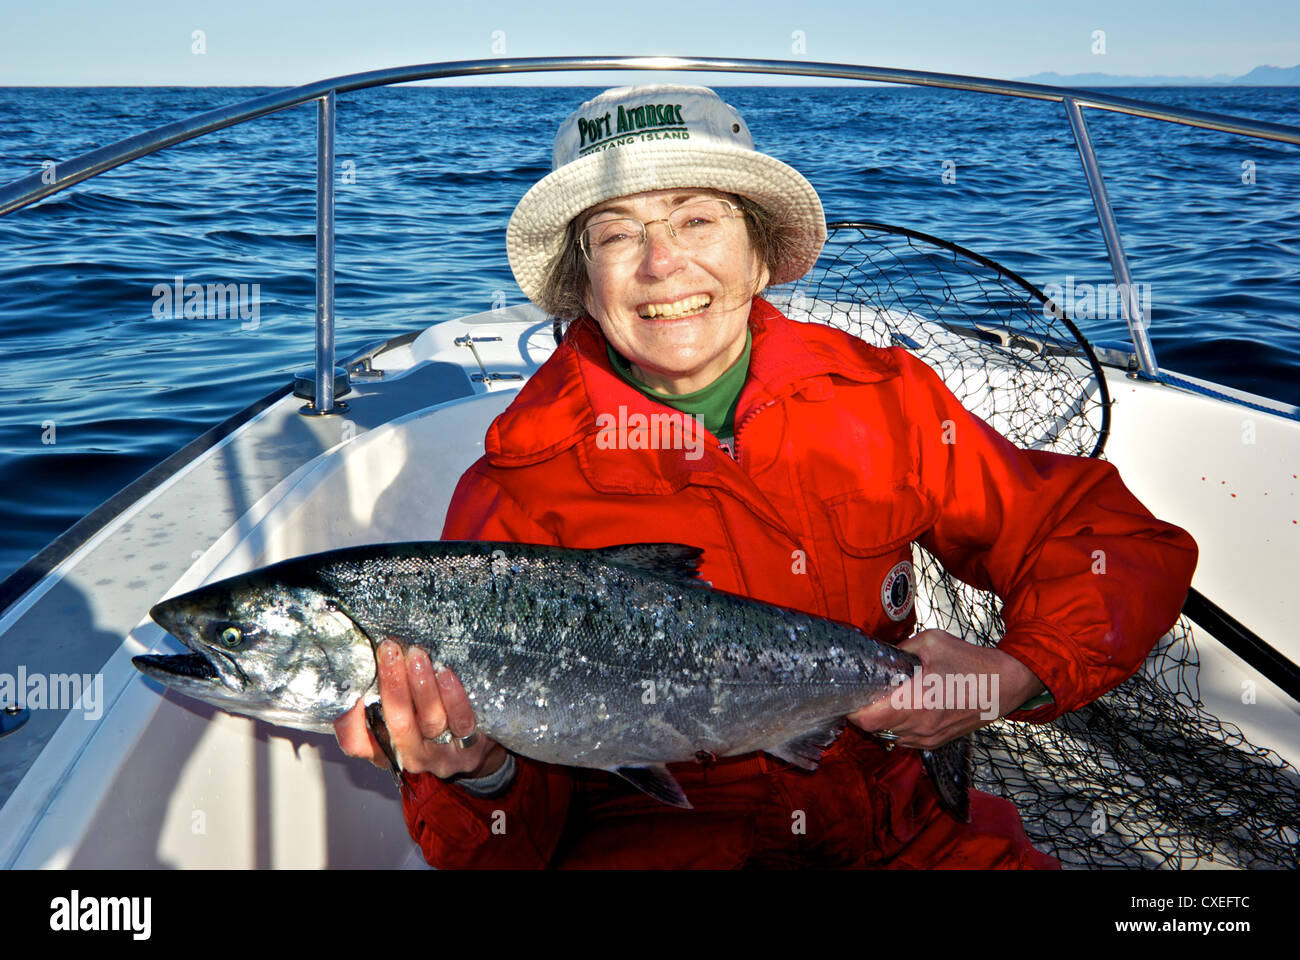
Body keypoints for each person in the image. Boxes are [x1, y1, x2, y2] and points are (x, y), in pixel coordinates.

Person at [335, 84, 1198, 868]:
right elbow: (506, 850)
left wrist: (1013, 672)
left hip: (901, 831)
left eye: (695, 220)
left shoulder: (886, 398)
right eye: (616, 234)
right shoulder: (515, 488)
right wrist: (475, 776)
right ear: (584, 286)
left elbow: (1109, 541)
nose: (661, 262)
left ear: (757, 253)